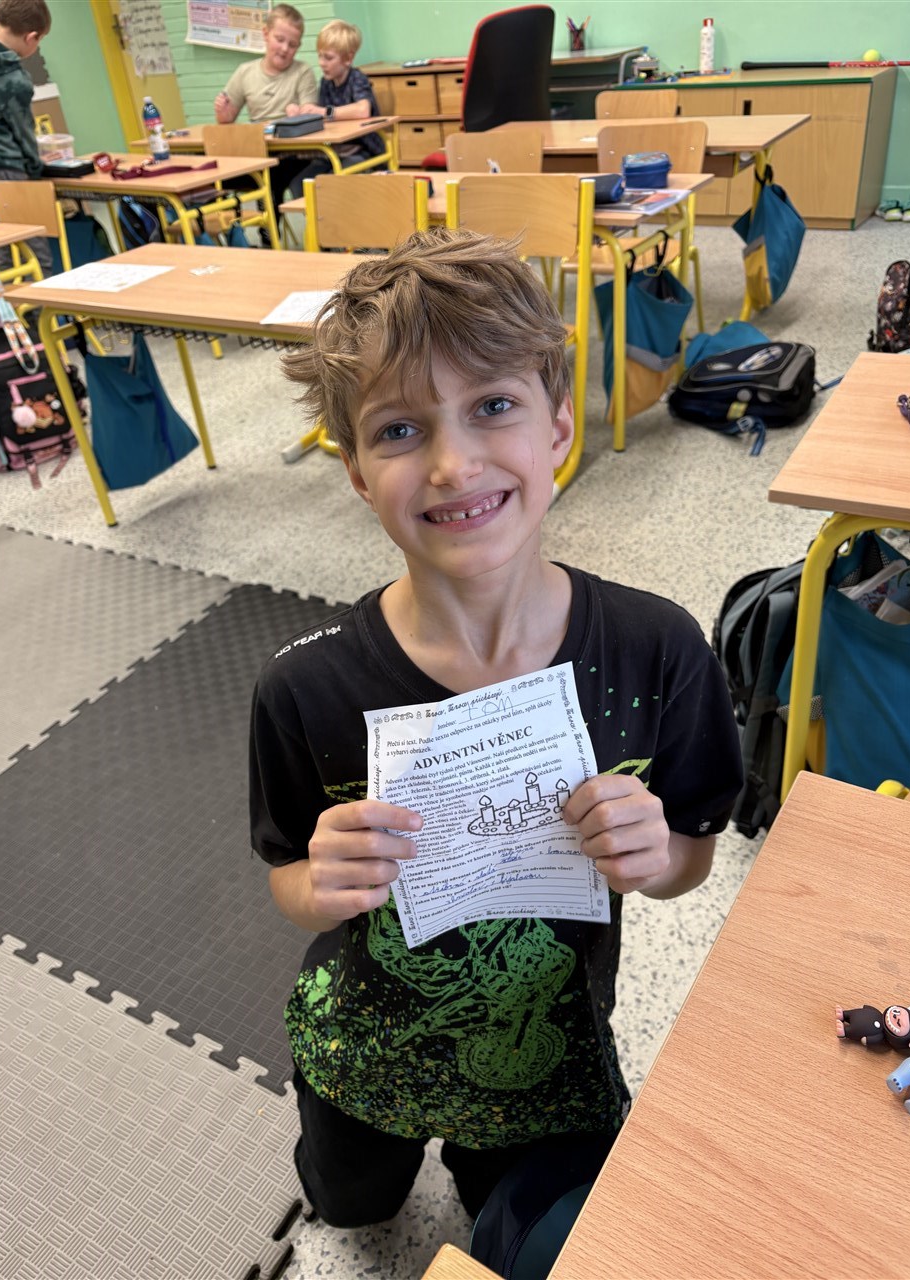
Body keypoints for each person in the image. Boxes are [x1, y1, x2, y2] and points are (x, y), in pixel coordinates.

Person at [249, 228, 744, 1228]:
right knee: (350, 1208)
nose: (452, 463)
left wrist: (657, 858)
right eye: (398, 429)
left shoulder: (657, 649)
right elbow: (289, 878)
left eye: (493, 406)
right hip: (364, 1051)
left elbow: (693, 852)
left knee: (533, 1226)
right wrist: (317, 885)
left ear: (558, 425)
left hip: (548, 1057)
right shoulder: (304, 687)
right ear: (355, 471)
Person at [0, 0, 52, 273]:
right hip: (1, 169)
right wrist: (37, 171)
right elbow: (24, 136)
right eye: (39, 41)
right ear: (31, 37)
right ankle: (35, 303)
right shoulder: (14, 79)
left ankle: (4, 301)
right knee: (35, 255)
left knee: (2, 248)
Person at [212, 3, 317, 212]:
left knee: (271, 179)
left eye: (292, 44)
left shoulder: (303, 72)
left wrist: (299, 113)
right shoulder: (245, 72)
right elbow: (226, 119)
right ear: (266, 34)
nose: (285, 49)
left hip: (292, 154)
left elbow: (310, 113)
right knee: (217, 178)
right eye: (280, 40)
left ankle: (267, 229)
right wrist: (223, 112)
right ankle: (226, 227)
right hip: (257, 152)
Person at [287, 19, 385, 198]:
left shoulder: (357, 79)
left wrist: (325, 112)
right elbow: (322, 117)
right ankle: (317, 217)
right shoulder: (326, 83)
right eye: (320, 56)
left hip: (364, 151)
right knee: (299, 184)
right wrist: (301, 113)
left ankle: (334, 215)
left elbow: (363, 110)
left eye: (328, 58)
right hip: (336, 152)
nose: (322, 63)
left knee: (330, 186)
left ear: (348, 58)